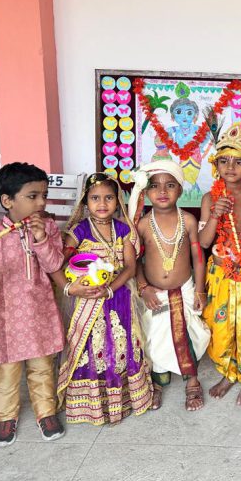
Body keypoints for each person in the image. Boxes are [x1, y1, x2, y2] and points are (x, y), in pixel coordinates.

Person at [56, 173, 153, 425]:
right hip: (88, 300)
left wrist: (110, 289)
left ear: (117, 200)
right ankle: (94, 406)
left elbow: (130, 267)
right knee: (93, 348)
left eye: (109, 198)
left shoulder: (123, 229)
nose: (102, 203)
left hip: (119, 297)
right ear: (85, 202)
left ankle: (122, 401)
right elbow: (59, 262)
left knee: (120, 346)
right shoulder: (79, 230)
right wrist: (71, 287)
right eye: (95, 198)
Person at [0, 162, 65, 445]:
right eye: (33, 196)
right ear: (7, 201)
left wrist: (41, 238)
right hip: (3, 316)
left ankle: (46, 413)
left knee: (42, 366)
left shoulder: (48, 228)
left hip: (38, 311)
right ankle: (6, 417)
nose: (41, 202)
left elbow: (55, 264)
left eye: (44, 195)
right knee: (4, 371)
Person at [130, 161, 210, 411]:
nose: (162, 191)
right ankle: (158, 381)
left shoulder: (188, 221)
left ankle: (192, 380)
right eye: (155, 186)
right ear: (146, 192)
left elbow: (198, 256)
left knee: (190, 334)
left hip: (184, 289)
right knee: (155, 337)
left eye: (170, 185)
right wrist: (143, 287)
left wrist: (200, 289)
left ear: (180, 190)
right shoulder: (143, 224)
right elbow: (135, 260)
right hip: (154, 293)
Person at [199, 124, 241, 405]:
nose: (230, 167)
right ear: (216, 165)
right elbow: (204, 241)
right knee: (223, 327)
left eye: (238, 162)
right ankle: (227, 372)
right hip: (221, 274)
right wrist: (215, 215)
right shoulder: (210, 198)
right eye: (223, 161)